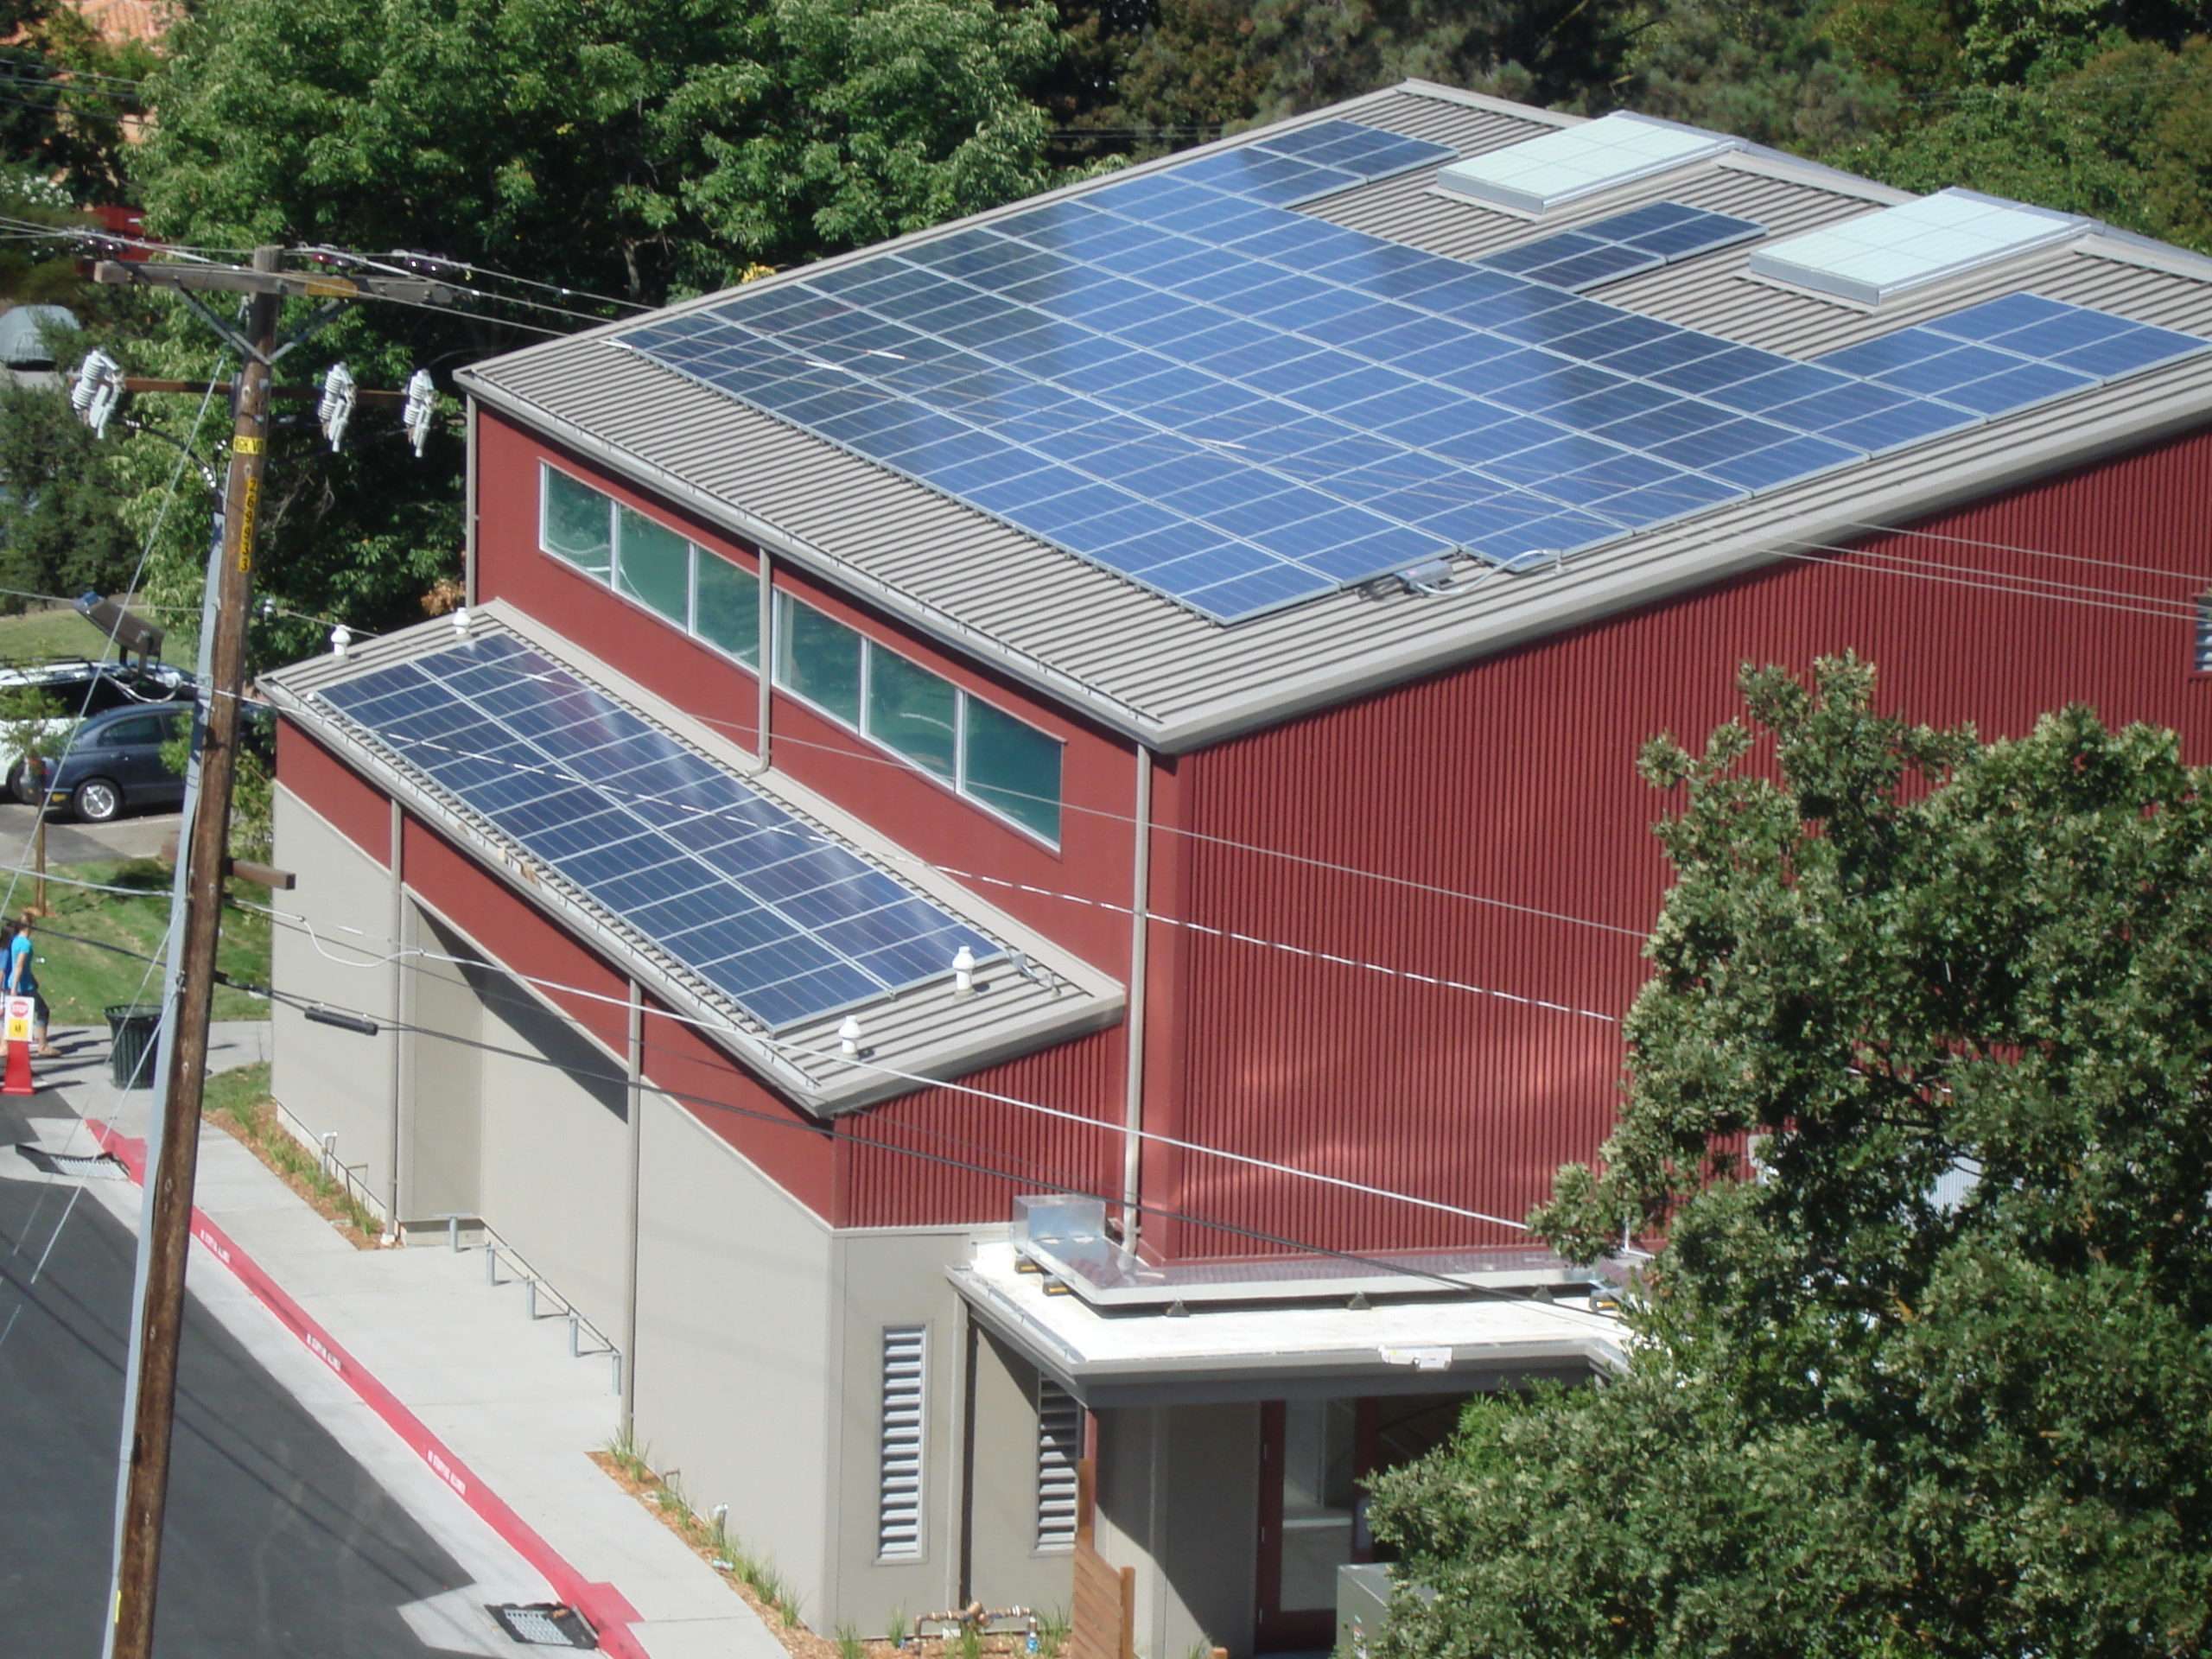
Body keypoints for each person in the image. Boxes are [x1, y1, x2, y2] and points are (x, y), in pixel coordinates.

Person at [8, 913, 52, 1056]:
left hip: (20, 982)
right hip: (23, 986)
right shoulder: (25, 944)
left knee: (16, 1016)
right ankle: (42, 1045)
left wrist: (32, 979)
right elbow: (19, 965)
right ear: (29, 926)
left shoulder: (15, 940)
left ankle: (10, 1045)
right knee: (43, 1010)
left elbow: (21, 965)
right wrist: (15, 988)